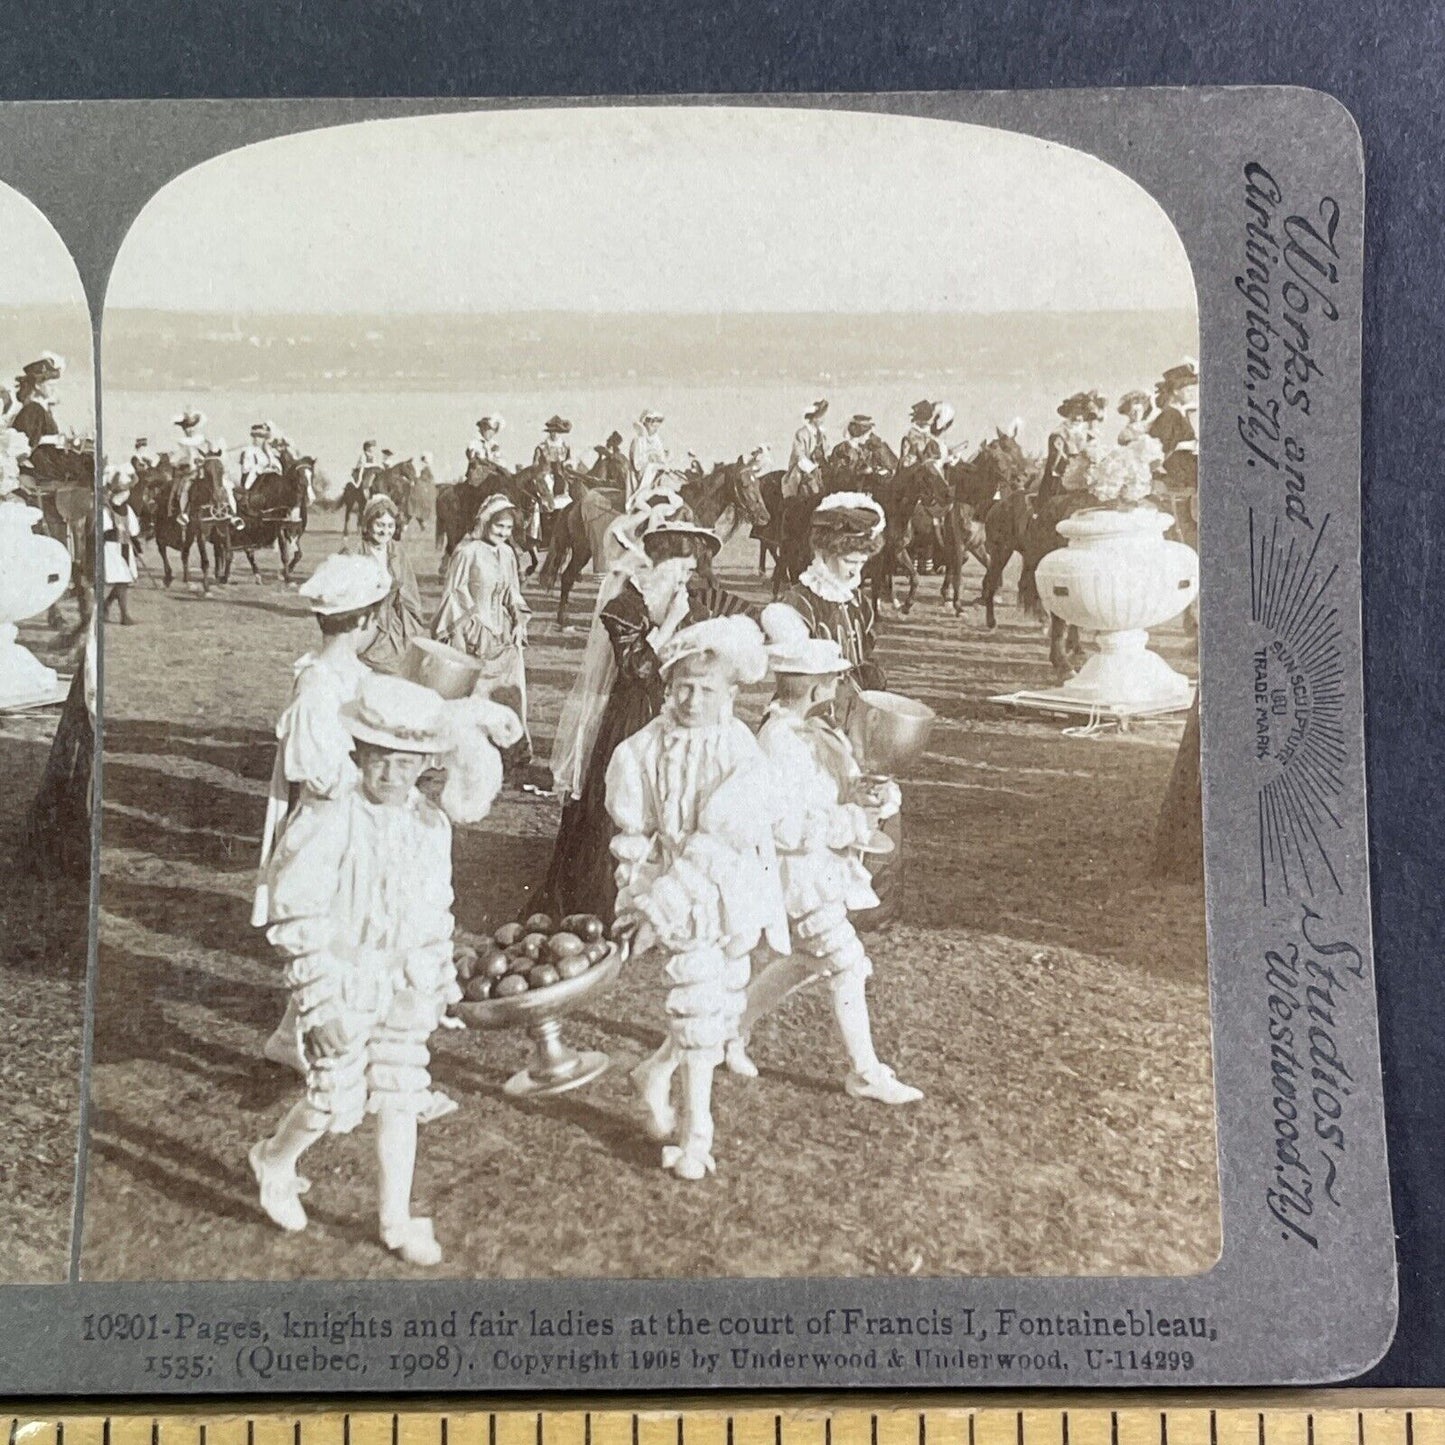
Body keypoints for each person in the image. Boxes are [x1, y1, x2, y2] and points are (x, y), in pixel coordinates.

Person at [248, 673, 515, 1267]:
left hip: (404, 981)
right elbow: (297, 910)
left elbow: (431, 908)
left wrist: (439, 981)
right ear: (359, 754)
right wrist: (318, 1002)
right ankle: (275, 1158)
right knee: (329, 1099)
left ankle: (396, 1219)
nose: (391, 775)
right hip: (344, 979)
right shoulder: (328, 817)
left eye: (406, 763)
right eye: (379, 761)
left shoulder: (428, 824)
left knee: (401, 1092)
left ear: (427, 764)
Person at [610, 616, 789, 1181]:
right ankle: (695, 1135)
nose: (690, 699)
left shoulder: (743, 754)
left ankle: (655, 1072)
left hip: (724, 888)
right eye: (681, 686)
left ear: (733, 693)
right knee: (697, 1004)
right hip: (673, 890)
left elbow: (718, 841)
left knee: (722, 1005)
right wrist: (641, 898)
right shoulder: (640, 750)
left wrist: (661, 904)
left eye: (706, 689)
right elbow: (632, 834)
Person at [723, 608, 922, 1104]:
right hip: (798, 877)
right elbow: (787, 827)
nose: (838, 689)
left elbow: (848, 782)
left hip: (822, 871)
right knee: (846, 964)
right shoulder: (778, 743)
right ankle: (866, 1073)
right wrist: (852, 823)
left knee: (807, 960)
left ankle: (729, 1028)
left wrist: (876, 795)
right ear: (814, 688)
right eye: (833, 682)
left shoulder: (820, 729)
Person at [539, 514, 738, 922]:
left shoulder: (692, 608)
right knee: (626, 796)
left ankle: (672, 901)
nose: (687, 579)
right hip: (632, 715)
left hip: (677, 713)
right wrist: (666, 625)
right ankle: (608, 899)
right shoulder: (623, 607)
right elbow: (639, 669)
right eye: (682, 568)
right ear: (659, 563)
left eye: (691, 571)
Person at [251, 553, 391, 1067]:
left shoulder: (352, 673)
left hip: (356, 818)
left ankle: (293, 1035)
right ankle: (303, 1034)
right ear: (363, 622)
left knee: (354, 926)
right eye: (376, 616)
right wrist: (372, 772)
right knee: (329, 930)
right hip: (326, 826)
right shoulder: (316, 685)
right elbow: (314, 768)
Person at [431, 494, 533, 761]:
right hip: (474, 633)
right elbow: (455, 593)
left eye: (508, 528)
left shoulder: (508, 553)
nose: (503, 532)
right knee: (474, 694)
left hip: (504, 635)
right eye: (499, 526)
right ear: (485, 522)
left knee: (508, 691)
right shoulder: (467, 552)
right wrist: (470, 626)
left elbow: (513, 591)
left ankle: (506, 748)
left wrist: (519, 620)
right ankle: (471, 750)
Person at [778, 492, 887, 690]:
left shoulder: (857, 601)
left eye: (862, 563)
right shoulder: (800, 601)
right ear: (824, 553)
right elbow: (792, 674)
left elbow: (865, 651)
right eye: (848, 562)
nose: (855, 571)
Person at [342, 493, 427, 676]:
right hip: (362, 630)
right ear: (367, 524)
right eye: (379, 525)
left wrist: (415, 631)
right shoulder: (352, 552)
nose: (385, 531)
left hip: (393, 630)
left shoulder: (398, 552)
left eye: (390, 526)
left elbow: (410, 595)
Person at [1149, 359, 1200, 549]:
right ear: (1177, 391)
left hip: (1185, 480)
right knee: (1183, 528)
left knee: (1189, 525)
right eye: (1188, 388)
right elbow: (1158, 450)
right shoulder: (1169, 415)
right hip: (1176, 482)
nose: (1192, 392)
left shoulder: (1179, 413)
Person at [1039, 392, 1106, 506]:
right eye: (1074, 412)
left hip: (1087, 480)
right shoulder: (1059, 434)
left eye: (1082, 413)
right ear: (1068, 413)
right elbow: (1053, 467)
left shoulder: (1090, 435)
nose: (1078, 417)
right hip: (1063, 480)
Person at [100, 469, 141, 626]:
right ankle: (124, 615)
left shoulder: (126, 508)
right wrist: (115, 527)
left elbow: (135, 529)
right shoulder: (106, 510)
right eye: (122, 491)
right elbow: (103, 528)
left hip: (124, 545)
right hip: (111, 547)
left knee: (123, 580)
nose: (125, 494)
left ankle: (107, 605)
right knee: (122, 580)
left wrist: (127, 532)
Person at [9, 354, 65, 452]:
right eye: (51, 385)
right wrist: (56, 439)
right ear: (38, 385)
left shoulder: (41, 409)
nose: (54, 389)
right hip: (36, 463)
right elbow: (26, 444)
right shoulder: (33, 409)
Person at [782, 399, 829, 500]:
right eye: (820, 417)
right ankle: (791, 502)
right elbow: (799, 454)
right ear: (813, 418)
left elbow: (826, 451)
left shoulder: (822, 434)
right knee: (797, 480)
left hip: (820, 467)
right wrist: (811, 468)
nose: (822, 420)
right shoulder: (801, 433)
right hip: (804, 468)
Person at [533, 415, 574, 514]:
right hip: (544, 479)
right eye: (552, 431)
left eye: (557, 431)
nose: (554, 434)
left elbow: (569, 462)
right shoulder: (541, 447)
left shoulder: (565, 447)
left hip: (561, 478)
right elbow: (535, 464)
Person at [627, 409, 669, 503]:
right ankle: (637, 498)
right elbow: (637, 465)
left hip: (656, 473)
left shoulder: (657, 440)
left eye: (656, 426)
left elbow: (662, 458)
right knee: (651, 467)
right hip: (641, 475)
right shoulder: (638, 440)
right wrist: (650, 459)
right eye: (652, 425)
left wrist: (659, 461)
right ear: (645, 424)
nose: (655, 428)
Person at [240, 422, 278, 498]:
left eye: (261, 437)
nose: (257, 439)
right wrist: (262, 469)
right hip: (254, 480)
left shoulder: (269, 452)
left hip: (269, 480)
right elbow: (245, 468)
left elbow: (276, 464)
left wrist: (274, 467)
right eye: (255, 437)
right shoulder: (249, 451)